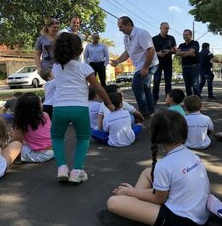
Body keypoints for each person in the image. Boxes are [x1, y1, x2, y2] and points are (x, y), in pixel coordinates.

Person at [106, 110, 210, 226]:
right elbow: (168, 191)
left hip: (182, 219)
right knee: (147, 172)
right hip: (198, 213)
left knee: (113, 202)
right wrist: (134, 193)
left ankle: (134, 209)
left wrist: (130, 192)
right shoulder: (192, 155)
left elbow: (159, 199)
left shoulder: (164, 165)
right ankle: (135, 206)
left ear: (156, 135)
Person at [51, 32, 114, 183]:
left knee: (57, 137)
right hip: (79, 109)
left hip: (59, 108)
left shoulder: (56, 67)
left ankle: (62, 168)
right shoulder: (84, 68)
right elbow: (98, 88)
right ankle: (77, 171)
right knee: (83, 137)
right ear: (79, 51)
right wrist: (109, 103)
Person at [111, 16, 159, 119]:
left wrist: (146, 67)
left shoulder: (141, 34)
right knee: (145, 87)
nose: (120, 30)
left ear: (129, 24)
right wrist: (118, 61)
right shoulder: (126, 37)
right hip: (140, 65)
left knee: (136, 84)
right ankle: (151, 111)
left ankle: (144, 112)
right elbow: (127, 52)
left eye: (121, 27)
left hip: (150, 63)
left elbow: (151, 50)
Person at [12, 92, 54, 163]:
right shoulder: (45, 115)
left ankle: (15, 159)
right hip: (54, 150)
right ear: (39, 105)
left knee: (10, 147)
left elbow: (16, 141)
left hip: (41, 154)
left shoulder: (22, 121)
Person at [152, 22, 177, 104]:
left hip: (168, 63)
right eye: (165, 28)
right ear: (160, 28)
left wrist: (169, 51)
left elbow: (175, 50)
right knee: (156, 81)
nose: (167, 30)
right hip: (157, 63)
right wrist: (158, 53)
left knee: (168, 82)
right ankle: (154, 98)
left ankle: (168, 99)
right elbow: (150, 51)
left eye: (168, 28)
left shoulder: (171, 38)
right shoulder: (154, 39)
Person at [176, 29, 200, 97]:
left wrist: (182, 54)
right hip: (185, 67)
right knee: (187, 86)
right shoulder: (181, 45)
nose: (185, 36)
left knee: (195, 86)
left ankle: (197, 102)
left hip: (194, 67)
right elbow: (177, 53)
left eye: (186, 34)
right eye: (184, 35)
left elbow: (191, 52)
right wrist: (188, 53)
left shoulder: (195, 43)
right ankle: (189, 102)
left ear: (191, 35)